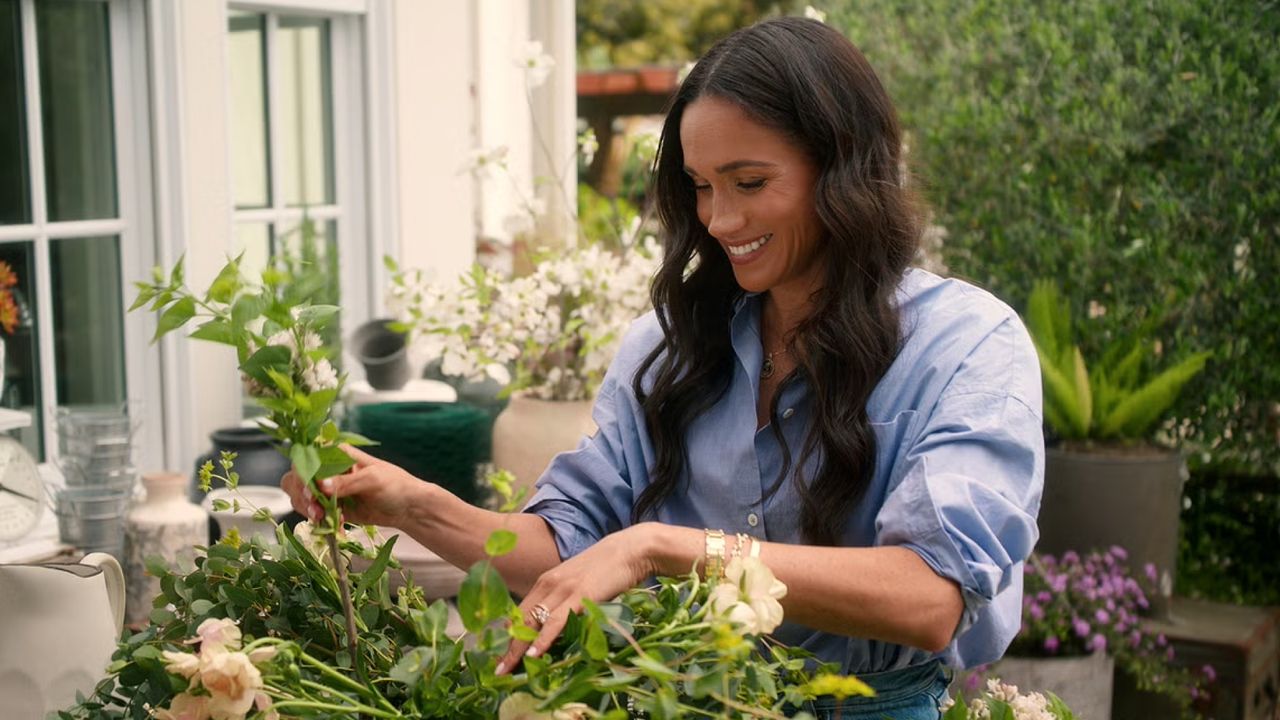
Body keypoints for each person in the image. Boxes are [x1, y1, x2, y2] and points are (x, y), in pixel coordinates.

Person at [283, 16, 1043, 719]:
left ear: (842, 168)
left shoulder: (965, 346)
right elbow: (571, 550)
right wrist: (414, 504)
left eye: (749, 183)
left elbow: (931, 597)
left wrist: (663, 548)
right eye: (700, 186)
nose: (718, 220)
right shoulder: (669, 347)